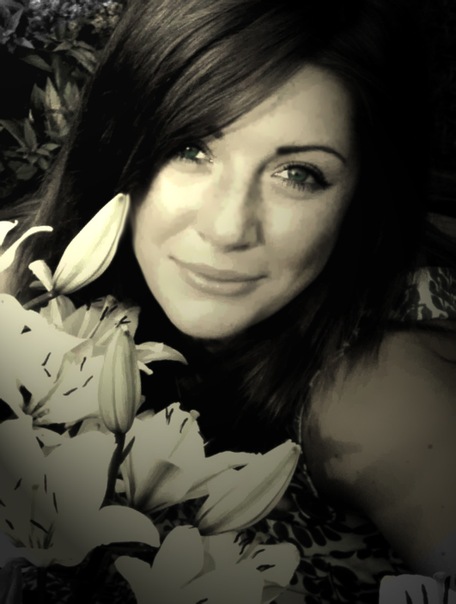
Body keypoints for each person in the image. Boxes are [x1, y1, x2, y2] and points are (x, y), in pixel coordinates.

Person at [2, 0, 456, 601]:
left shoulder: (383, 395)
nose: (226, 228)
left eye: (298, 174)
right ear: (120, 142)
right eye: (190, 149)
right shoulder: (29, 276)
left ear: (362, 197)